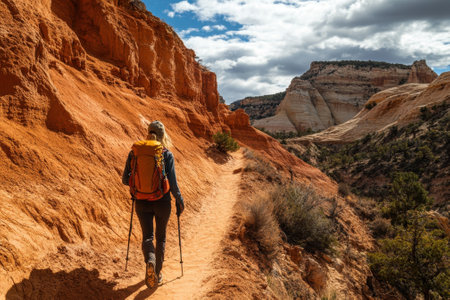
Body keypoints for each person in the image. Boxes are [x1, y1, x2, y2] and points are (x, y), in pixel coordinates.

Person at [122, 120, 184, 288]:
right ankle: (156, 273)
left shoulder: (134, 152)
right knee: (161, 237)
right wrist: (179, 201)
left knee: (147, 236)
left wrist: (140, 185)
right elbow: (173, 183)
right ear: (163, 135)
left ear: (148, 132)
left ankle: (150, 260)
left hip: (142, 202)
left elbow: (125, 179)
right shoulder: (166, 154)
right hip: (162, 202)